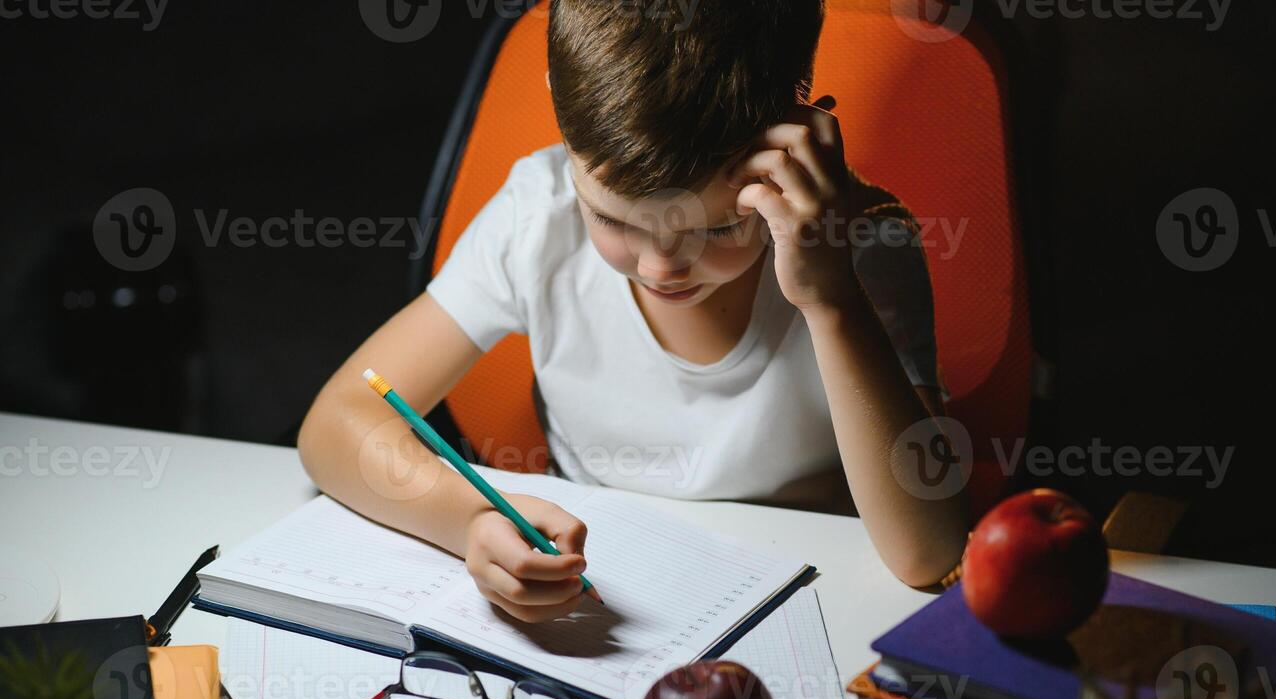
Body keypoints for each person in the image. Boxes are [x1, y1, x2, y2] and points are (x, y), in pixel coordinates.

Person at [298, 0, 971, 623]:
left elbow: (927, 552)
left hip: (799, 603)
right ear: (563, 116)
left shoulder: (858, 248)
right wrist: (469, 519)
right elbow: (336, 425)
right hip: (597, 600)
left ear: (796, 142)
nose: (659, 268)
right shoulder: (537, 216)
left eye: (714, 230)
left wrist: (829, 301)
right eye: (614, 219)